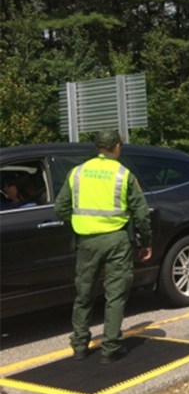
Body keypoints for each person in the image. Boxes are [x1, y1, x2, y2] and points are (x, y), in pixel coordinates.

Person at [54, 129, 153, 364]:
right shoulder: (123, 175)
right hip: (117, 240)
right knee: (115, 295)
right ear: (117, 146)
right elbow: (141, 214)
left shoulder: (77, 173)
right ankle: (110, 349)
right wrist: (146, 242)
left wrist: (78, 223)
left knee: (84, 294)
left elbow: (60, 208)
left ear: (98, 147)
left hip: (86, 241)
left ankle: (79, 346)